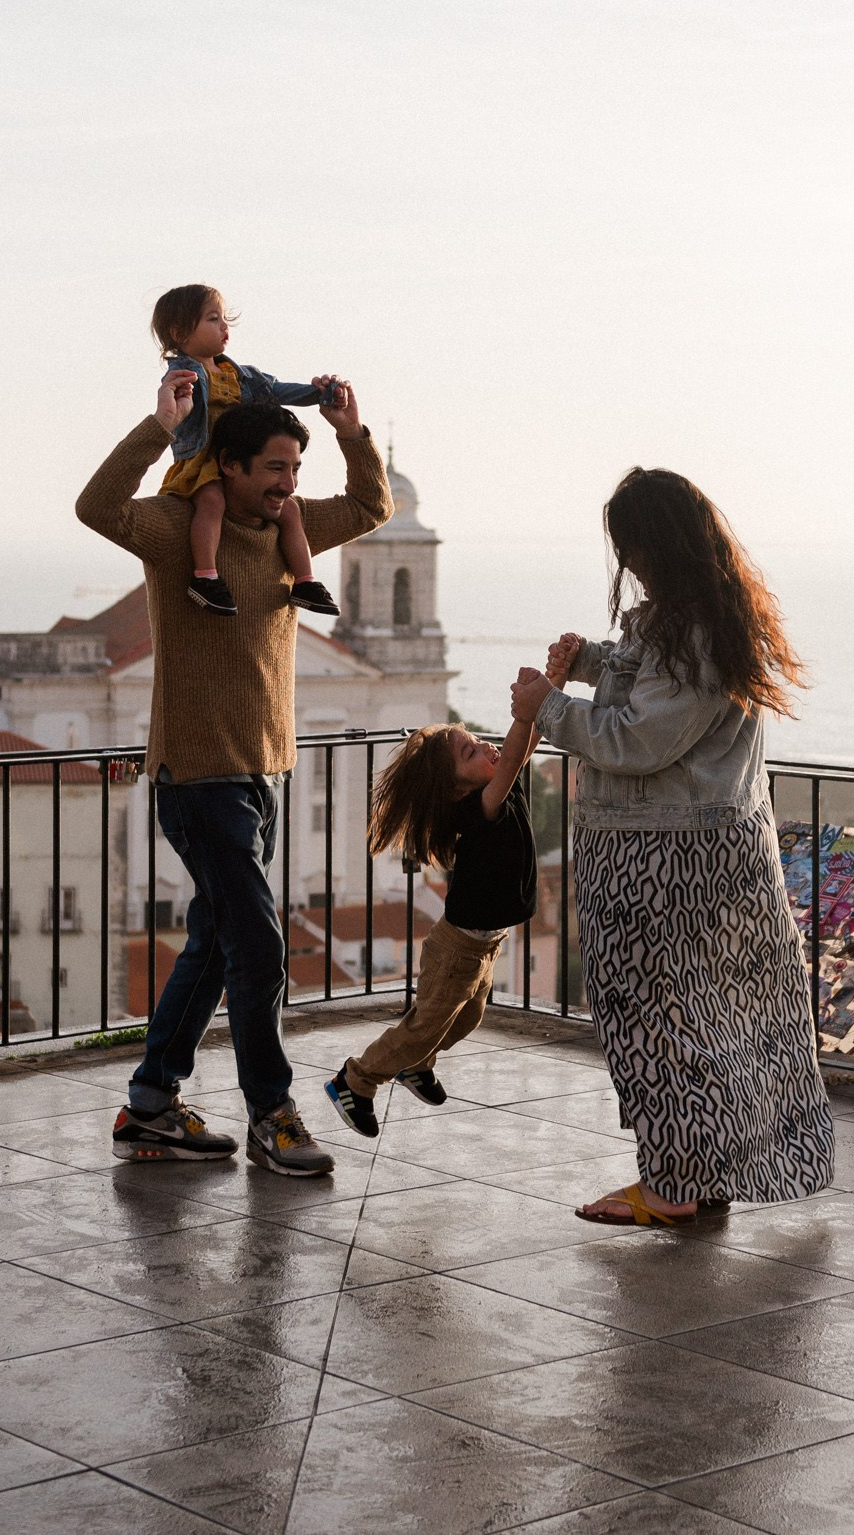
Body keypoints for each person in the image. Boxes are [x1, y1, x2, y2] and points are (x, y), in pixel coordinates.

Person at [76, 374, 391, 1177]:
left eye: (295, 468)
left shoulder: (289, 525)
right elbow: (98, 507)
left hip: (263, 772)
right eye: (274, 468)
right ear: (233, 465)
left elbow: (368, 508)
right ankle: (273, 1114)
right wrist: (157, 428)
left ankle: (150, 1105)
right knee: (260, 946)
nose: (288, 484)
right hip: (198, 775)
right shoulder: (181, 526)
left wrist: (353, 434)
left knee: (216, 944)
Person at [510, 467, 833, 1226]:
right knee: (719, 1015)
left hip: (661, 862)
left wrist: (547, 707)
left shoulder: (691, 629)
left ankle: (673, 1182)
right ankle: (701, 1170)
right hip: (712, 850)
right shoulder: (708, 620)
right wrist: (592, 659)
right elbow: (652, 692)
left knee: (653, 1018)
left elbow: (640, 737)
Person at [323, 690, 560, 1136]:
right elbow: (510, 757)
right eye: (471, 751)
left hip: (485, 943)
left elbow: (520, 749)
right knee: (422, 1027)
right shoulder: (476, 808)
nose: (487, 748)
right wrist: (527, 712)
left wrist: (548, 694)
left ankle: (417, 1066)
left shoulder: (501, 785)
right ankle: (354, 1080)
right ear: (455, 788)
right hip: (459, 949)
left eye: (477, 741)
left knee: (466, 1020)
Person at [149, 283, 345, 619]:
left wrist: (320, 394)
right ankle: (206, 576)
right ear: (179, 332)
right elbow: (179, 412)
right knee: (212, 501)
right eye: (213, 319)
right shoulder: (185, 373)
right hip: (204, 461)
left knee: (291, 512)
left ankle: (305, 581)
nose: (224, 327)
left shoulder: (238, 375)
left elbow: (277, 390)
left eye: (225, 319)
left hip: (238, 462)